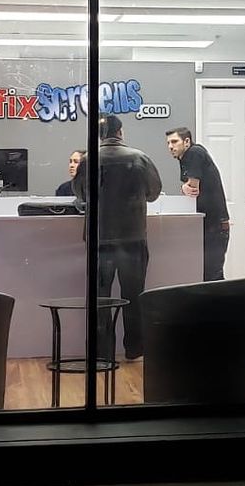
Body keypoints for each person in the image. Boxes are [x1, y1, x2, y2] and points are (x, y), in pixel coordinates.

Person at [74, 115, 162, 360]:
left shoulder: (88, 159)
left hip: (99, 239)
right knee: (134, 295)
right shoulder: (139, 158)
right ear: (121, 132)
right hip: (132, 237)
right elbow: (154, 193)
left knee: (100, 300)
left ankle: (102, 353)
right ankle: (134, 348)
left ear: (101, 134)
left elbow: (80, 193)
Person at [166, 127, 230, 282]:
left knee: (211, 275)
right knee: (209, 273)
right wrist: (184, 188)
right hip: (211, 224)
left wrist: (184, 188)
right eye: (168, 143)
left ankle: (222, 305)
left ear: (187, 141)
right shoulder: (189, 156)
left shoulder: (194, 153)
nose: (170, 146)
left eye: (174, 141)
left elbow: (192, 189)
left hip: (213, 226)